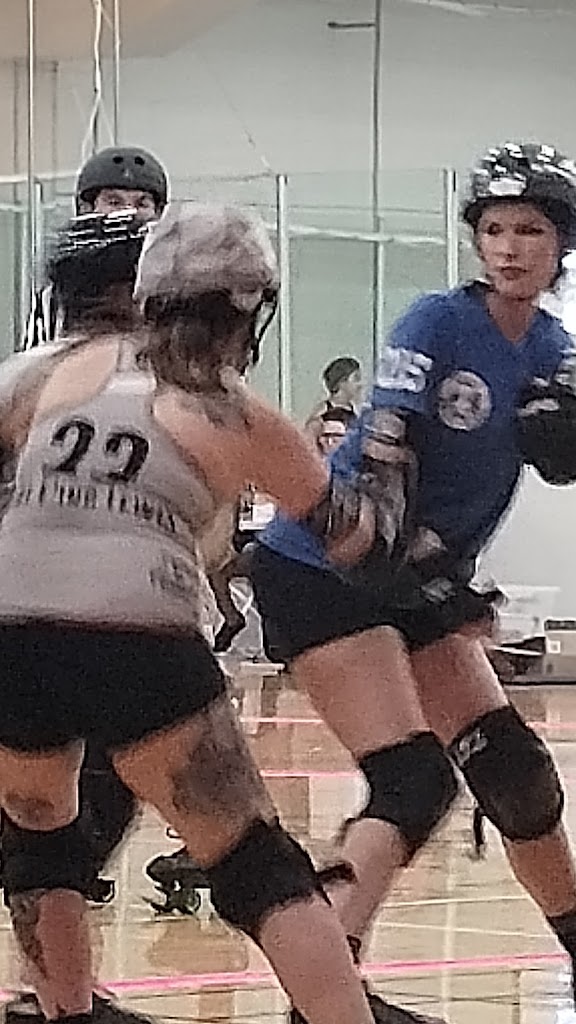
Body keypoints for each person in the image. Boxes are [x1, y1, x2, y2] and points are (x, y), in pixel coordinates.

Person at [0, 202, 433, 1024]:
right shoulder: (236, 410)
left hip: (13, 624)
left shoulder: (49, 374)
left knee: (40, 839)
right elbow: (358, 547)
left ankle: (64, 1011)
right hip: (136, 628)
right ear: (248, 310)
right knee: (254, 863)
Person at [251, 141, 576, 1014]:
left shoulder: (554, 347)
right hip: (329, 565)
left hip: (413, 579)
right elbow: (379, 472)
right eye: (495, 229)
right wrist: (439, 585)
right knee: (414, 781)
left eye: (531, 230)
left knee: (515, 774)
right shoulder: (435, 322)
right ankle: (323, 997)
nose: (509, 248)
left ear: (561, 243)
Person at [23, 146, 168, 350]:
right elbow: (38, 360)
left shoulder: (173, 288)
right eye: (114, 202)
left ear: (158, 213)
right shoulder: (56, 296)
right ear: (87, 209)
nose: (128, 212)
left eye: (141, 204)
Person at [304, 356, 363, 439]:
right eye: (356, 379)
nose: (360, 384)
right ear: (342, 381)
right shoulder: (323, 411)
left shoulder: (355, 411)